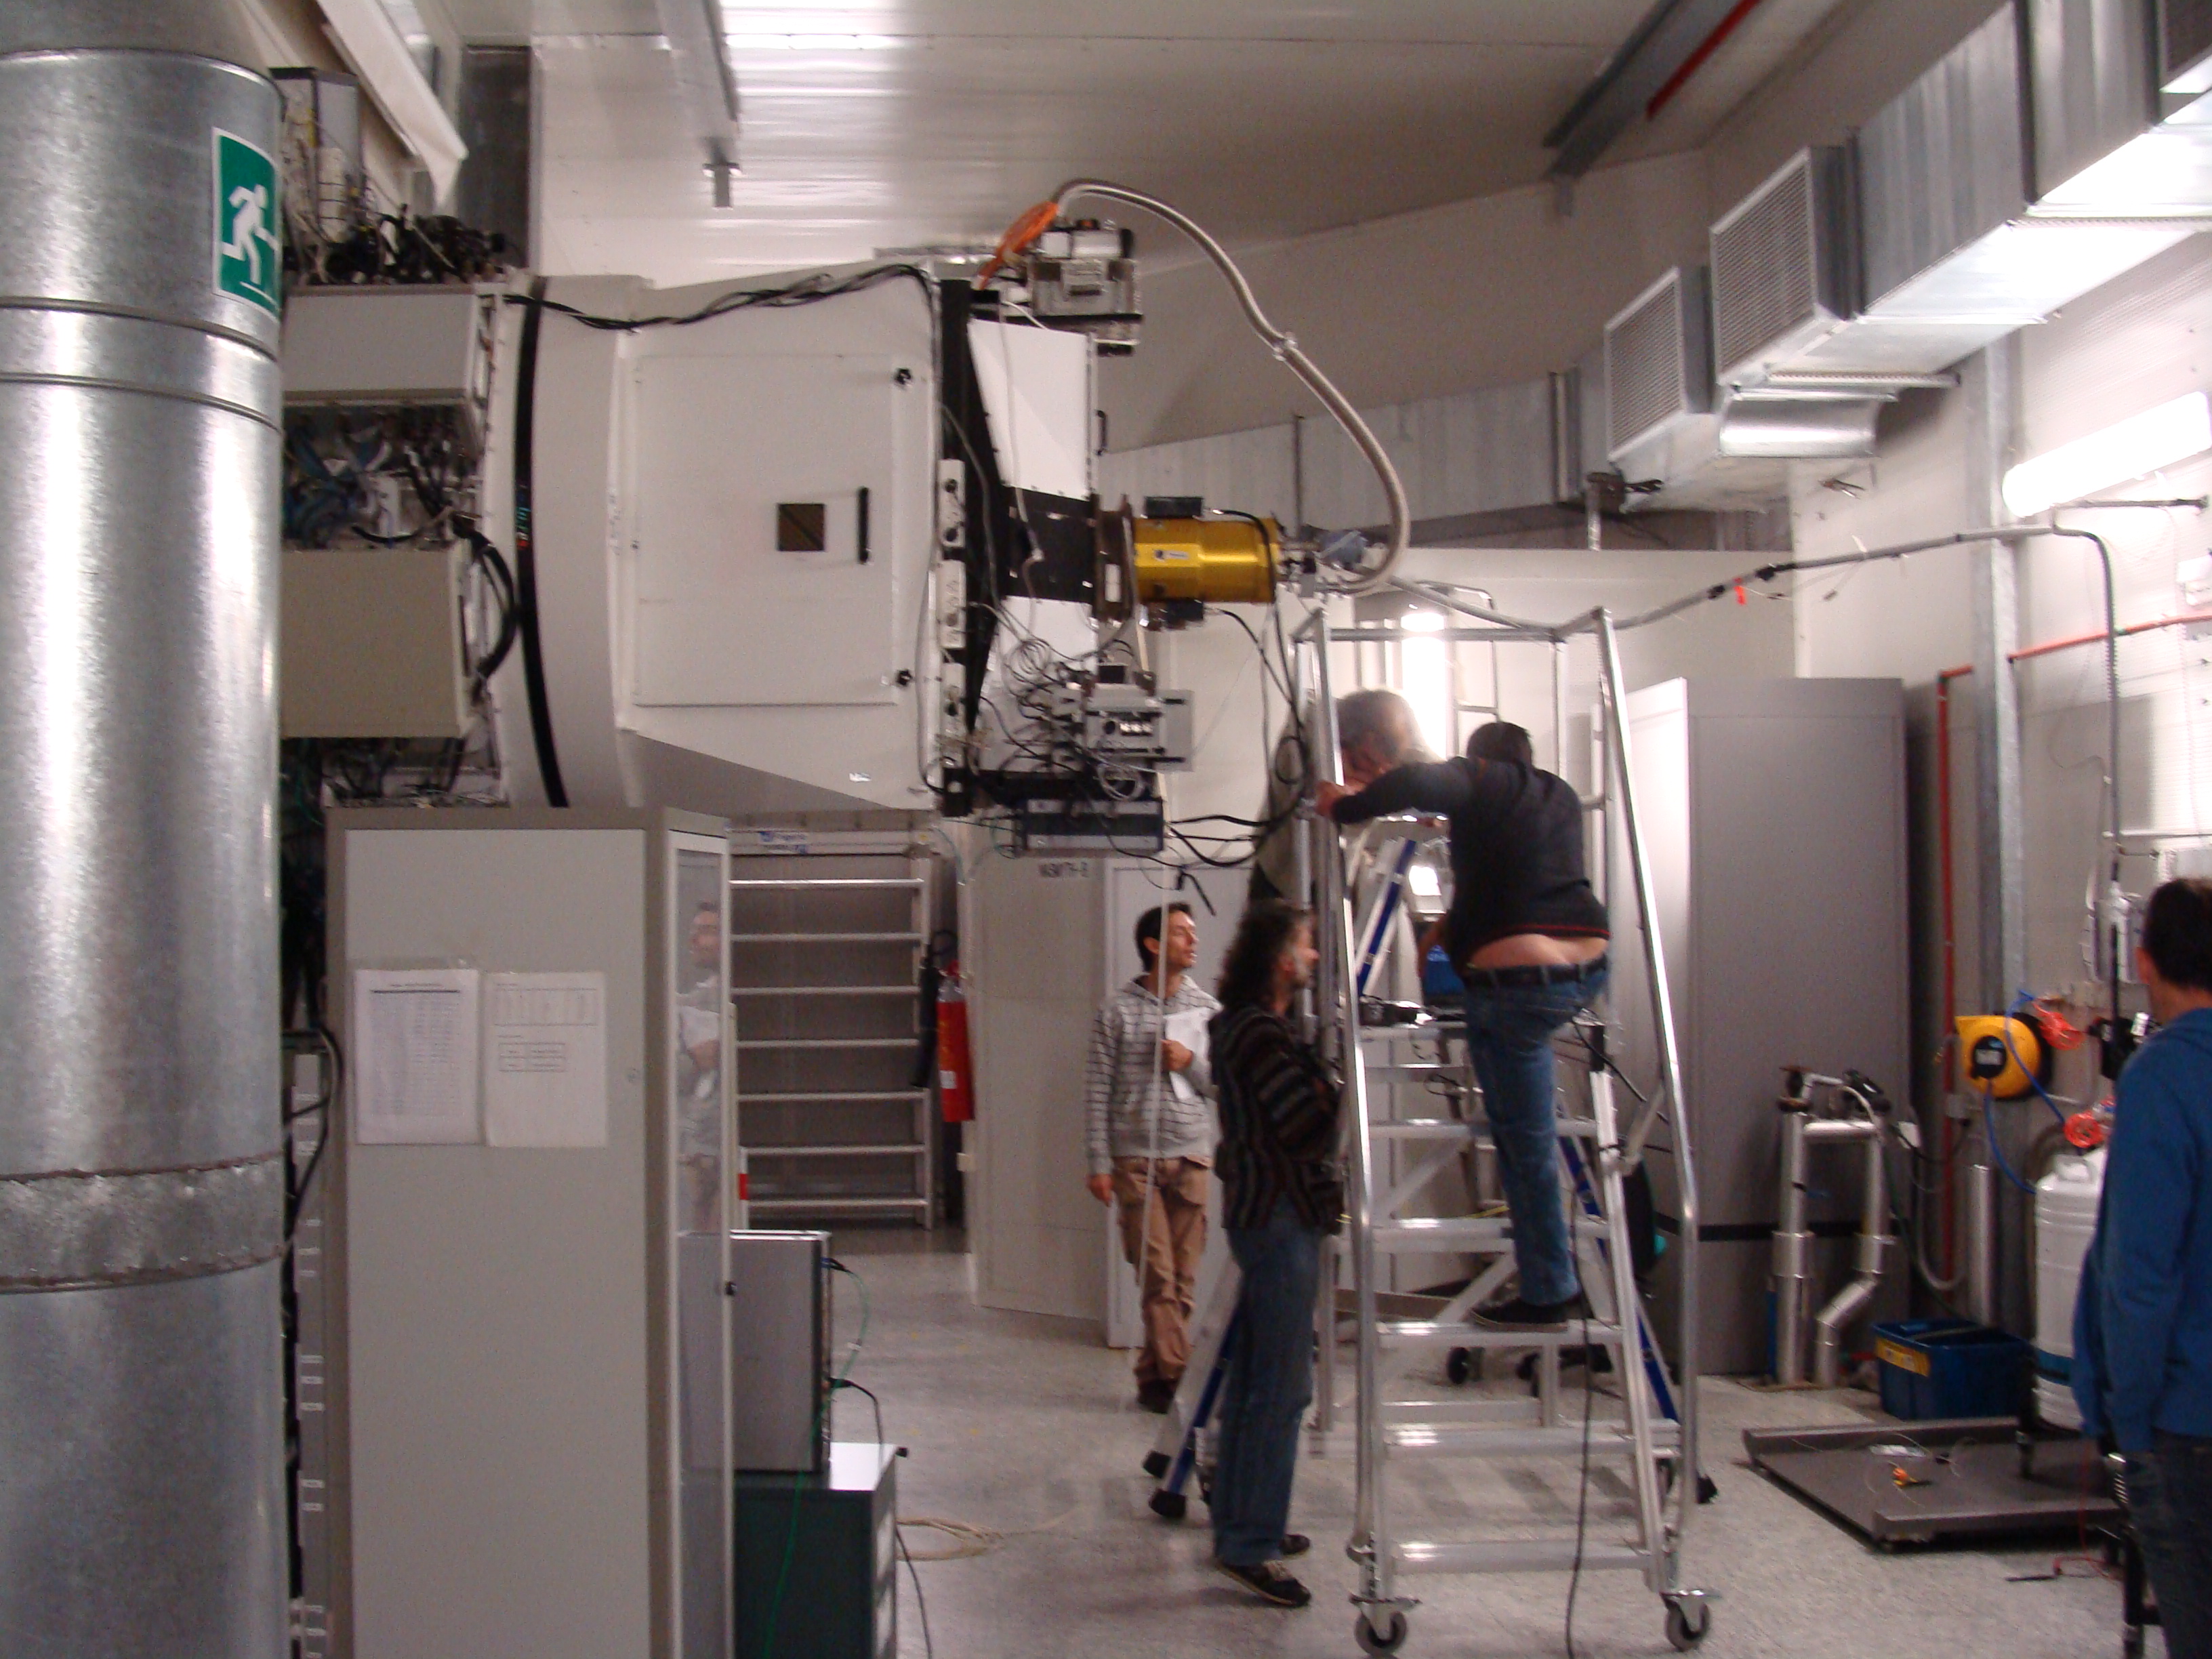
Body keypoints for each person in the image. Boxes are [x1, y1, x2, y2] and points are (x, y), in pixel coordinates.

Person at [1317, 720, 1607, 1328]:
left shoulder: (1477, 777)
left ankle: (1550, 1291)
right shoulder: (1556, 794)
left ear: (1478, 759)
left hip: (1518, 989)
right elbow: (1512, 872)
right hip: (1586, 973)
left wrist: (1346, 806)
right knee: (1532, 1120)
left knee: (1525, 1144)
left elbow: (1421, 780)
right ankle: (1561, 1277)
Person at [2073, 877, 2212, 1658]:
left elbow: (2139, 1277)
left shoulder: (2162, 1079)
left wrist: (2125, 1424)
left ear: (2144, 960)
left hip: (2187, 1425)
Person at [1206, 899, 1337, 1607]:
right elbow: (1305, 1126)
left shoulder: (1244, 1027)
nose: (1314, 956)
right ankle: (1250, 1541)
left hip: (1264, 1216)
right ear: (1282, 959)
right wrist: (1331, 1091)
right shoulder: (1261, 1033)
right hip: (1280, 1218)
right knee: (1282, 1388)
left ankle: (1241, 1527)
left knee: (1257, 1381)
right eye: (1307, 945)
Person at [1084, 903, 1220, 1412]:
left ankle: (1153, 1378)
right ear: (1154, 945)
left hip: (1191, 1158)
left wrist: (1190, 1063)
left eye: (1193, 933)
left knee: (1181, 1283)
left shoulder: (1207, 1009)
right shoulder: (1116, 1012)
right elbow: (1097, 1091)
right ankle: (1184, 1381)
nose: (1193, 941)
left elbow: (1224, 1086)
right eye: (1182, 933)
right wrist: (1098, 1163)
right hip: (1135, 1162)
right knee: (1157, 1276)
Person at [1248, 688, 1429, 903]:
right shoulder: (1313, 723)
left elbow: (1434, 772)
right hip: (1281, 862)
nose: (1377, 774)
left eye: (1387, 767)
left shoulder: (1402, 729)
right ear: (1345, 739)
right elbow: (1326, 790)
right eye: (1367, 760)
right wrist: (1360, 791)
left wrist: (1429, 800)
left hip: (1338, 870)